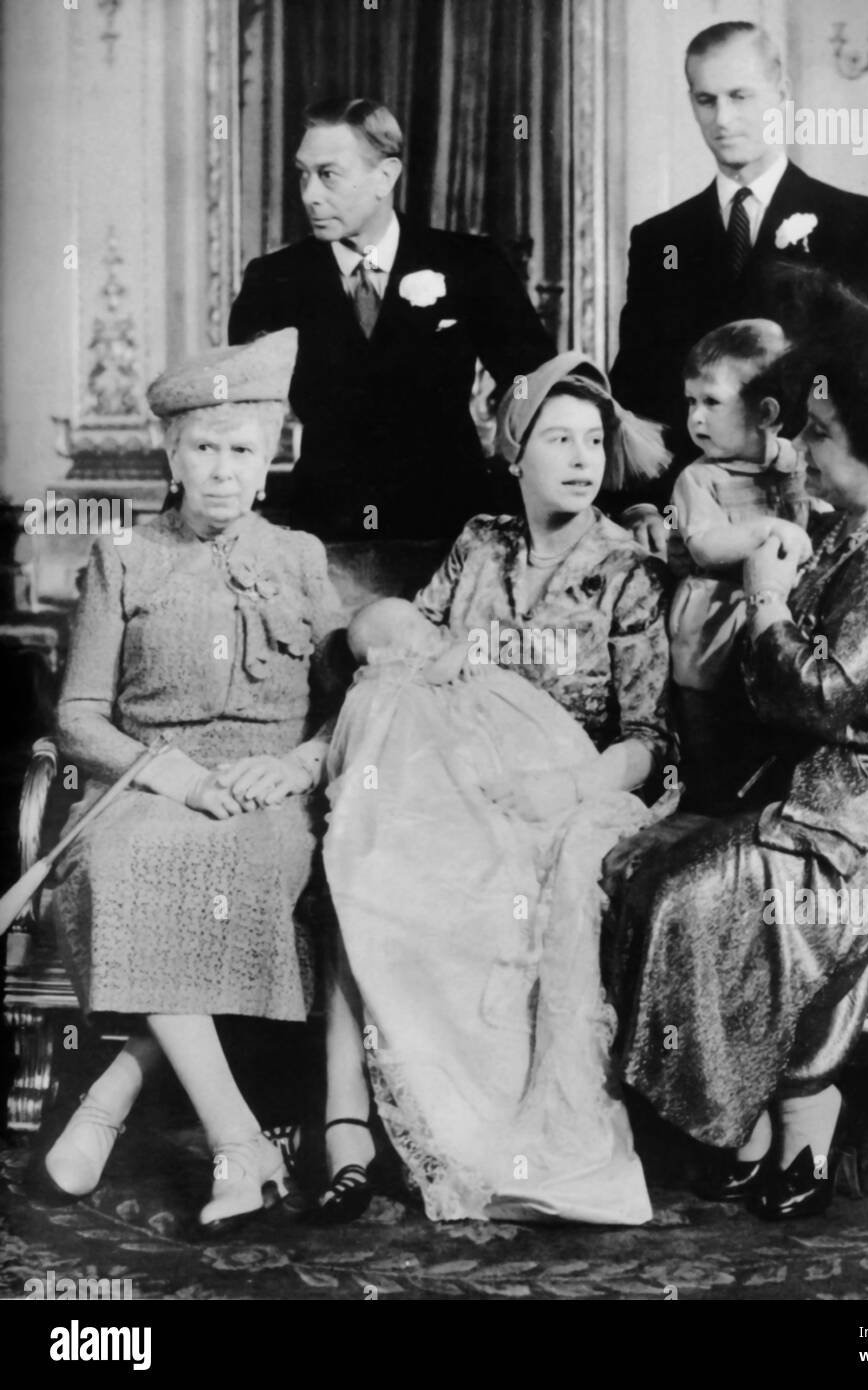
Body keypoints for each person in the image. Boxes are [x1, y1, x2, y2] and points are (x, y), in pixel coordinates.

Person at [605, 299, 868, 1221]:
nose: (807, 454)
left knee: (697, 896)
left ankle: (781, 1112)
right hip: (836, 805)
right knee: (664, 882)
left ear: (866, 441)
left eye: (821, 437)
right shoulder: (857, 536)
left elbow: (816, 696)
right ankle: (757, 1117)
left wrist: (770, 603)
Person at [314, 353, 673, 1225]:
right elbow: (414, 663)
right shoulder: (481, 543)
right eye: (558, 438)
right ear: (517, 454)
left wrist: (566, 784)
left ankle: (482, 1135)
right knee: (375, 828)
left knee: (481, 872)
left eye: (594, 439)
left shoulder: (628, 572)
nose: (582, 457)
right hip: (458, 770)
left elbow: (649, 741)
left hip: (569, 780)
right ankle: (346, 1125)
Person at [39, 330, 345, 1233]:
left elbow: (359, 705)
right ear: (172, 454)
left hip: (269, 799)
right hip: (147, 790)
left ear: (269, 464)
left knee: (227, 882)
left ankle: (106, 1100)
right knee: (131, 872)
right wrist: (168, 774)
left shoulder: (301, 559)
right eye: (202, 448)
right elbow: (78, 715)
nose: (219, 470)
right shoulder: (122, 558)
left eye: (239, 451)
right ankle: (240, 1143)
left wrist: (296, 764)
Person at [610, 20, 868, 547]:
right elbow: (638, 391)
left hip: (817, 518)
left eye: (740, 96)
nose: (723, 119)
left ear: (782, 96)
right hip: (691, 522)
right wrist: (641, 506)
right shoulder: (660, 239)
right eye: (706, 100)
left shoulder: (859, 225)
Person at [229, 97, 555, 543]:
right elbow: (238, 413)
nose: (309, 195)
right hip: (327, 529)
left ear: (385, 176)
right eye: (302, 174)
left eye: (327, 175)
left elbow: (535, 384)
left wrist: (514, 471)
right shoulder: (273, 280)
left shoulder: (471, 264)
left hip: (451, 525)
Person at [667, 318, 810, 811]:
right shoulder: (698, 478)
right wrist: (767, 531)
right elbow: (705, 545)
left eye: (711, 402)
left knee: (775, 724)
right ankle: (708, 802)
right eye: (691, 403)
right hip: (716, 615)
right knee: (709, 719)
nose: (696, 419)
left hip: (777, 613)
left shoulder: (794, 464)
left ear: (766, 412)